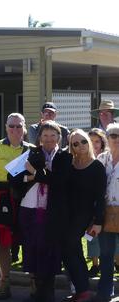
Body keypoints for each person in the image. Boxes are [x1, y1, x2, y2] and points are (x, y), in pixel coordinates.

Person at [9, 121, 71, 302]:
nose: (49, 139)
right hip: (29, 208)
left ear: (59, 137)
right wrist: (30, 176)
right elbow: (12, 177)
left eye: (53, 136)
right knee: (33, 248)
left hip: (53, 210)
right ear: (39, 138)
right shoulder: (30, 153)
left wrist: (35, 174)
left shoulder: (65, 156)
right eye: (45, 136)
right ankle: (36, 290)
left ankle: (48, 292)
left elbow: (59, 182)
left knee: (50, 250)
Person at [0, 113, 32, 300]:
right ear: (6, 126)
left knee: (30, 243)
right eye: (12, 126)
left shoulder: (32, 150)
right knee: (3, 245)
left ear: (24, 127)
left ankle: (35, 283)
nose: (15, 130)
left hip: (26, 201)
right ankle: (4, 283)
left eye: (19, 126)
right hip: (1, 202)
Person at [61, 129, 106, 302]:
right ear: (71, 147)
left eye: (84, 141)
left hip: (84, 215)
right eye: (75, 144)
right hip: (67, 213)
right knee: (69, 250)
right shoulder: (69, 165)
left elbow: (100, 197)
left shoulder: (97, 167)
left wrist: (98, 221)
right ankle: (81, 289)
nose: (81, 146)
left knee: (70, 246)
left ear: (89, 142)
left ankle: (83, 289)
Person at [95, 123, 119, 301]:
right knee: (106, 254)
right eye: (113, 135)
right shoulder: (101, 159)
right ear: (107, 138)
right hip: (104, 213)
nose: (116, 139)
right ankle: (106, 289)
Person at [86, 128, 110, 276]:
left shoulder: (107, 158)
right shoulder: (83, 157)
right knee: (91, 234)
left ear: (102, 143)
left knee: (108, 234)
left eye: (97, 141)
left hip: (105, 202)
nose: (94, 144)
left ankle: (112, 262)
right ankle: (95, 264)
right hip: (88, 203)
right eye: (91, 141)